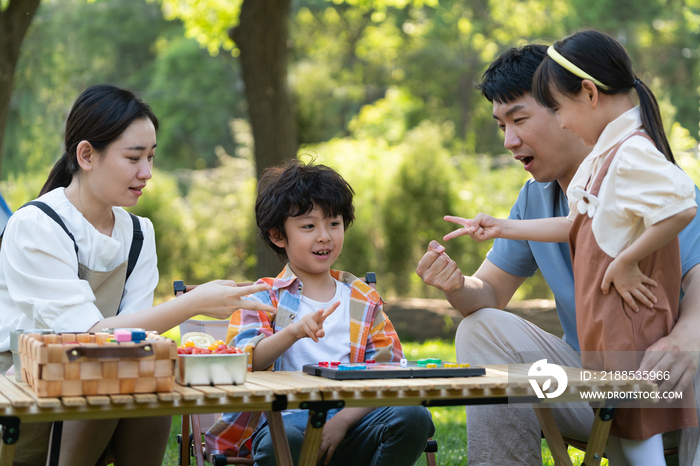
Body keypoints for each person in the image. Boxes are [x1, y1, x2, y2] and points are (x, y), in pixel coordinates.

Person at [416, 44, 700, 465]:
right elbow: (488, 295)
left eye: (520, 119)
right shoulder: (536, 198)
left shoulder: (642, 174)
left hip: (674, 380)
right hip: (596, 383)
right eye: (500, 126)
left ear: (568, 105)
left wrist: (684, 338)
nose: (510, 141)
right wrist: (457, 284)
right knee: (479, 329)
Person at [0, 84, 276, 466]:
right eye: (133, 158)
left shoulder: (139, 233)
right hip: (20, 397)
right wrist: (190, 304)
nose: (146, 173)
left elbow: (130, 341)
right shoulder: (36, 225)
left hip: (95, 391)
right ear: (86, 155)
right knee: (107, 376)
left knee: (143, 382)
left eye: (151, 157)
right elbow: (91, 337)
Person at [206, 159, 435, 465]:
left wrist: (342, 421)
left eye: (333, 223)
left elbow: (389, 374)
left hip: (355, 421)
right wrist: (293, 331)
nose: (324, 236)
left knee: (413, 416)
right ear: (277, 235)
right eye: (308, 226)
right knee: (286, 440)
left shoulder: (363, 299)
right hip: (288, 422)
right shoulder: (263, 296)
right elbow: (245, 361)